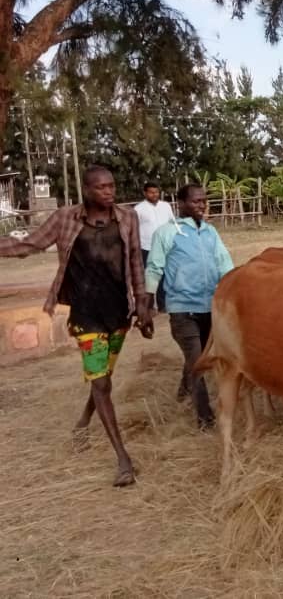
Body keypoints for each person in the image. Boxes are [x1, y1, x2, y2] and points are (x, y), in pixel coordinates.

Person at [0, 165, 152, 487]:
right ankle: (123, 460)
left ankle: (84, 419)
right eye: (101, 187)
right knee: (100, 383)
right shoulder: (65, 218)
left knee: (104, 378)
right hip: (85, 316)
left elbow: (136, 259)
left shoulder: (127, 218)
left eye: (112, 186)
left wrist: (142, 303)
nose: (109, 192)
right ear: (87, 189)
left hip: (118, 313)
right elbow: (30, 244)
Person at [145, 183, 233, 429]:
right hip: (183, 308)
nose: (201, 205)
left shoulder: (210, 232)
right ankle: (205, 417)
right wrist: (146, 303)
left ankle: (183, 391)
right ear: (181, 204)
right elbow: (154, 268)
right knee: (198, 362)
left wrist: (235, 287)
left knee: (200, 355)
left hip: (210, 307)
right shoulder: (167, 233)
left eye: (203, 201)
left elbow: (224, 263)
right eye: (195, 201)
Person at [134, 181, 174, 269]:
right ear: (145, 193)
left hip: (166, 247)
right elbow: (134, 229)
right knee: (150, 274)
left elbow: (172, 223)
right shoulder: (138, 209)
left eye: (156, 192)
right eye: (151, 192)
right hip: (147, 247)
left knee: (167, 272)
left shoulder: (166, 206)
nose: (154, 194)